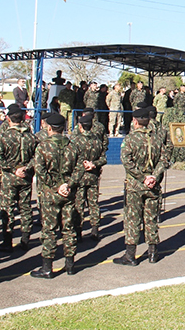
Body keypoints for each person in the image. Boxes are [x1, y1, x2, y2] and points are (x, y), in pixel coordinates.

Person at [30, 113, 84, 279]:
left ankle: (47, 267)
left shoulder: (43, 146)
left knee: (50, 230)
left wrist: (55, 186)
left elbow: (40, 170)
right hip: (68, 193)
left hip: (50, 194)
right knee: (68, 229)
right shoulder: (73, 146)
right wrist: (68, 185)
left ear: (49, 128)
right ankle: (70, 264)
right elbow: (80, 169)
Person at [115, 106, 168, 266]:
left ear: (135, 121)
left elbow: (127, 161)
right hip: (153, 185)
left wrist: (142, 177)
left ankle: (130, 255)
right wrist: (154, 176)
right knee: (151, 219)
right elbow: (164, 159)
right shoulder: (157, 139)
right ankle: (153, 253)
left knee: (133, 219)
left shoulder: (130, 139)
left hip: (135, 186)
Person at [0, 104, 38, 252]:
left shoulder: (4, 136)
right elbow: (37, 156)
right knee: (25, 208)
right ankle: (25, 239)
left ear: (8, 119)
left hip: (9, 178)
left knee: (7, 209)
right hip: (25, 177)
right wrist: (26, 168)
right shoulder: (31, 137)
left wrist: (13, 169)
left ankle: (7, 241)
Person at [72, 113, 107, 241]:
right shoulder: (97, 141)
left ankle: (78, 231)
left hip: (79, 177)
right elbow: (103, 159)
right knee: (93, 203)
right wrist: (94, 164)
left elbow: (71, 158)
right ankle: (95, 229)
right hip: (93, 176)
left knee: (79, 204)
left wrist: (83, 164)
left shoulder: (75, 141)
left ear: (80, 127)